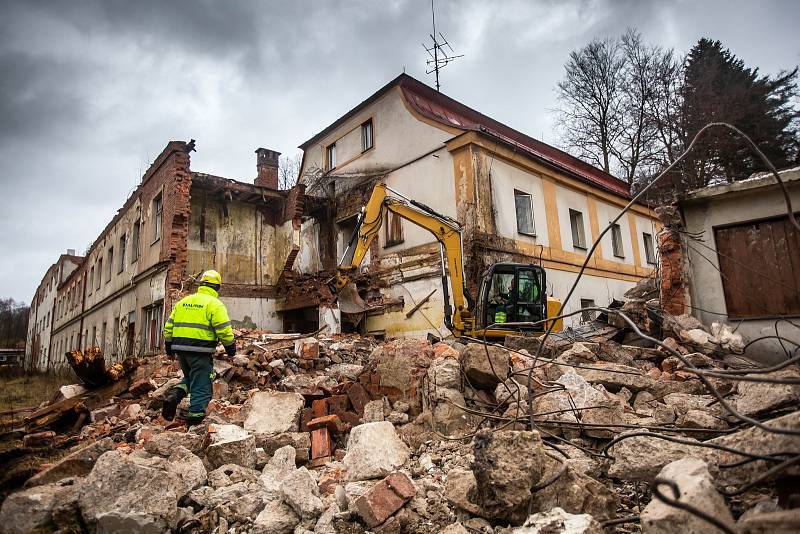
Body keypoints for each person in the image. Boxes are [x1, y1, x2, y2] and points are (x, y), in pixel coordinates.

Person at [162, 270, 236, 425]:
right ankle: (195, 420)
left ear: (201, 285)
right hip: (200, 351)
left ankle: (174, 396)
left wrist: (169, 348)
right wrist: (231, 351)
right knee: (202, 384)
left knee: (191, 378)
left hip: (181, 349)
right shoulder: (214, 304)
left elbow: (168, 327)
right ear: (217, 287)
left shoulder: (184, 302)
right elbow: (224, 330)